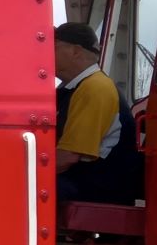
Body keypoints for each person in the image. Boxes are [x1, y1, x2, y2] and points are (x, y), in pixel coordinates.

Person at [53, 22, 143, 204]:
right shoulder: (72, 88)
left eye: (53, 47)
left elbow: (67, 157)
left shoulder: (95, 88)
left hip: (96, 186)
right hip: (84, 181)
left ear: (75, 51)